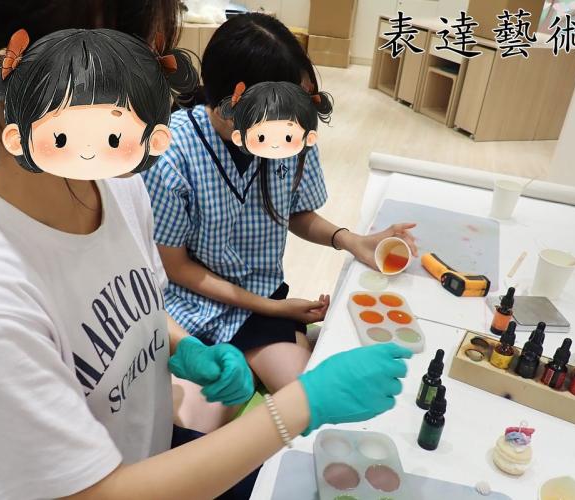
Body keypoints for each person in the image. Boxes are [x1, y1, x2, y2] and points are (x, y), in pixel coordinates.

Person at [0, 6, 412, 500]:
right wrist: (297, 407)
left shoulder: (119, 190)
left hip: (148, 455)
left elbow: (142, 303)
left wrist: (181, 345)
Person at [142, 13, 419, 395]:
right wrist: (275, 309)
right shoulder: (173, 154)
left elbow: (296, 212)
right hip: (192, 307)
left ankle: (281, 349)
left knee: (305, 398)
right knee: (194, 422)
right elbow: (175, 268)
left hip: (262, 297)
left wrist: (350, 240)